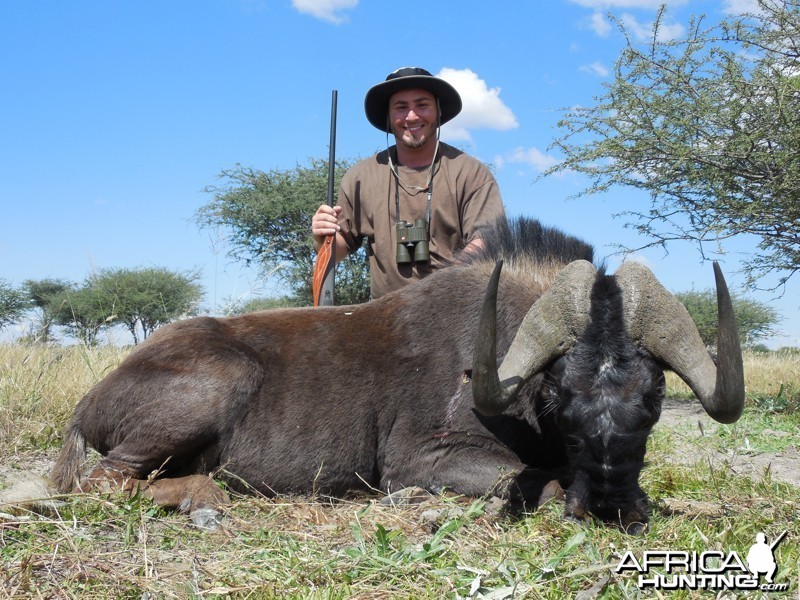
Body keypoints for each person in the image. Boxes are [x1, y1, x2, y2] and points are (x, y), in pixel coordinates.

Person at [311, 66, 505, 299]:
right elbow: (341, 247)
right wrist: (324, 236)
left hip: (454, 310)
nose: (412, 116)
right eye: (401, 107)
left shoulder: (472, 173)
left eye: (422, 105)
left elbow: (485, 241)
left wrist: (439, 289)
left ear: (438, 111)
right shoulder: (360, 176)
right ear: (389, 117)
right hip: (383, 319)